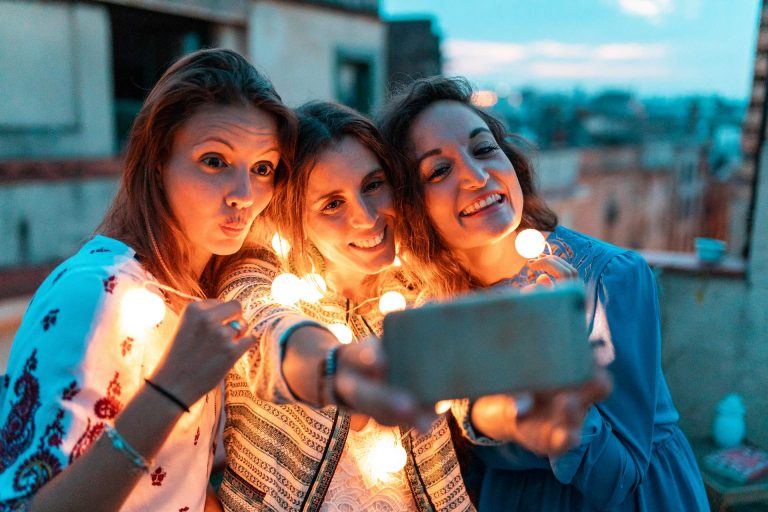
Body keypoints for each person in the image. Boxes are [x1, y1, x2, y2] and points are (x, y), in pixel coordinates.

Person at [216, 100, 606, 512]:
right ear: (295, 218)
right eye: (332, 204)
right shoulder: (262, 276)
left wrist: (514, 415)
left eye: (372, 185)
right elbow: (266, 332)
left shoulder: (418, 287)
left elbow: (467, 396)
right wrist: (337, 368)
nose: (366, 217)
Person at [378, 75, 709, 511]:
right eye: (438, 170)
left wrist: (557, 368)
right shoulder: (426, 304)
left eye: (483, 149)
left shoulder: (608, 280)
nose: (477, 177)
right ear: (412, 206)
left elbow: (621, 478)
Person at [0, 48, 296, 511]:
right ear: (158, 158)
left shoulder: (191, 294)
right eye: (214, 160)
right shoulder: (98, 293)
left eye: (262, 168)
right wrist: (170, 390)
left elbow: (169, 487)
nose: (244, 195)